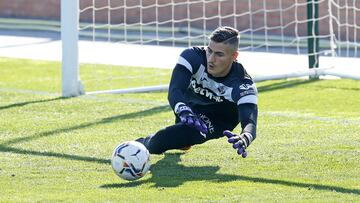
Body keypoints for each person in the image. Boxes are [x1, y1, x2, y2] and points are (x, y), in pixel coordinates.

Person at [136, 26, 258, 158]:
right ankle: (183, 137)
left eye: (219, 54)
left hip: (215, 120)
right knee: (181, 132)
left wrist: (245, 137)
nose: (211, 59)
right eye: (209, 51)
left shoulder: (242, 85)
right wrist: (183, 110)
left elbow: (250, 123)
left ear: (234, 56)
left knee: (162, 139)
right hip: (189, 107)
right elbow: (175, 90)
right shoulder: (193, 56)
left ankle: (136, 147)